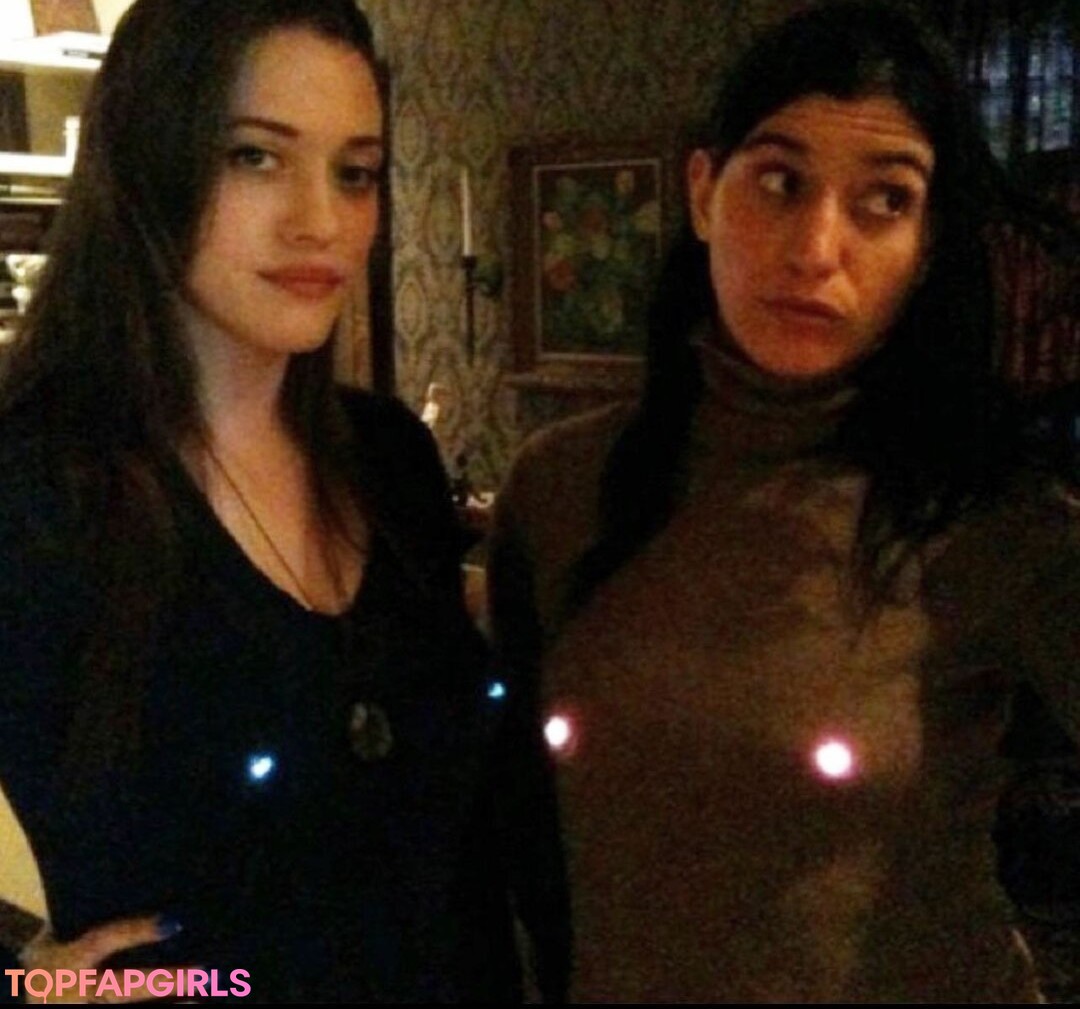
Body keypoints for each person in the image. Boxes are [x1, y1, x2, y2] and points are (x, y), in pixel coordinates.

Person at [489, 1, 1080, 1002]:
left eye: (884, 200)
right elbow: (506, 828)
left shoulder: (994, 519)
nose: (816, 248)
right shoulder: (559, 490)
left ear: (928, 245)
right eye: (779, 181)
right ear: (702, 192)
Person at [0, 0, 524, 1001]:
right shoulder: (36, 493)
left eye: (355, 172)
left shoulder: (391, 461)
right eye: (256, 157)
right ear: (147, 158)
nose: (319, 220)